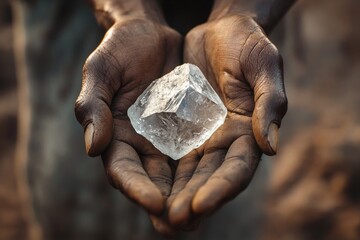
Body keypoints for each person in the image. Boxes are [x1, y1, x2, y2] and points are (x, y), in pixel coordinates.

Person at [12, 0, 293, 238]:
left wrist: (240, 11)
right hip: (80, 20)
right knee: (77, 207)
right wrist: (129, 12)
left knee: (224, 217)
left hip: (227, 55)